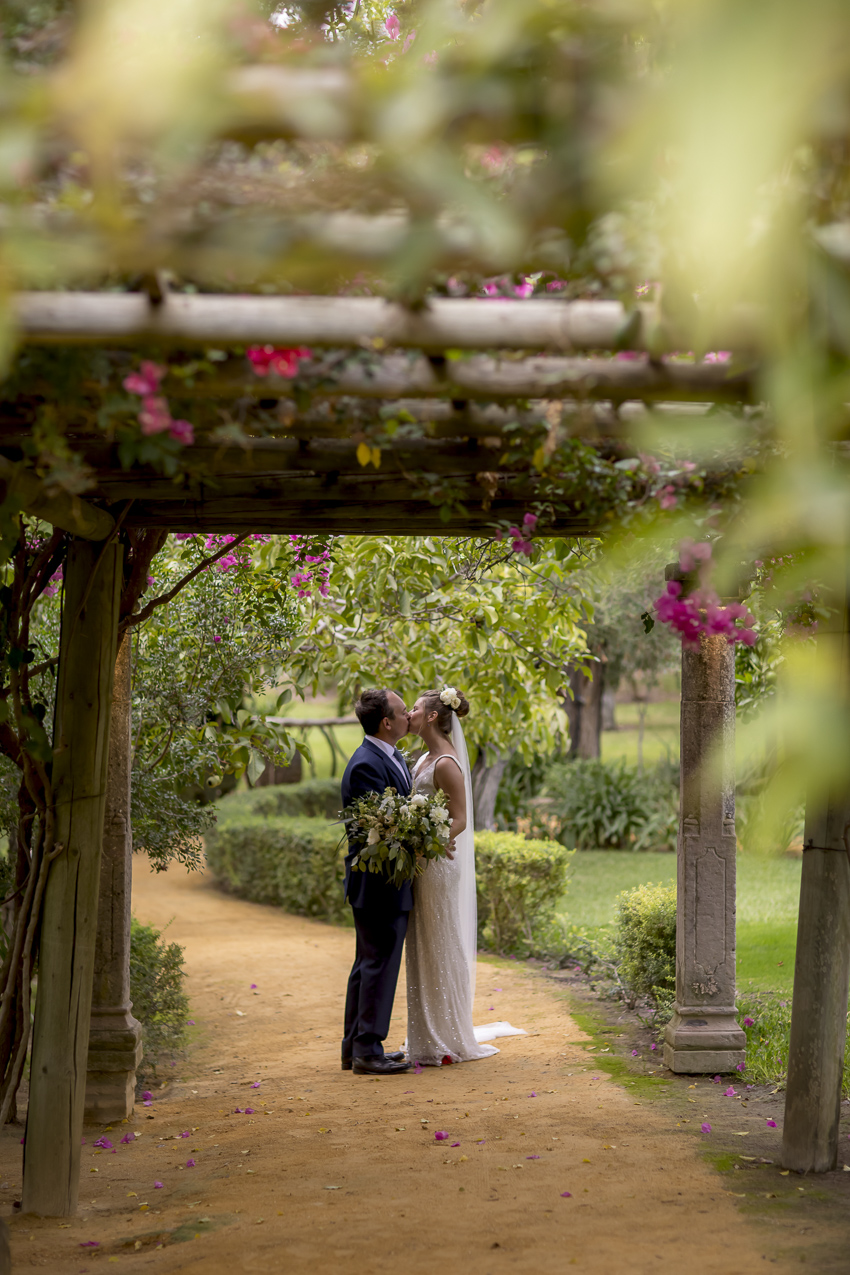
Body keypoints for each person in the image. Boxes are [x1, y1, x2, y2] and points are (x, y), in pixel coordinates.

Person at [405, 686, 524, 1065]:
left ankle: (448, 1034)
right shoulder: (425, 756)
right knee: (422, 942)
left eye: (415, 708)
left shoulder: (446, 764)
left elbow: (460, 818)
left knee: (441, 941)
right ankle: (425, 1034)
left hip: (438, 862)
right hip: (423, 860)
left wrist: (428, 842)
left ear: (432, 717)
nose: (409, 712)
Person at [340, 687, 415, 1075]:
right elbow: (381, 833)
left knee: (367, 964)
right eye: (403, 712)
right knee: (378, 965)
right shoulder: (367, 764)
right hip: (379, 884)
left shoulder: (389, 754)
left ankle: (354, 1046)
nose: (409, 717)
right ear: (387, 722)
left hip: (383, 884)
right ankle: (368, 1051)